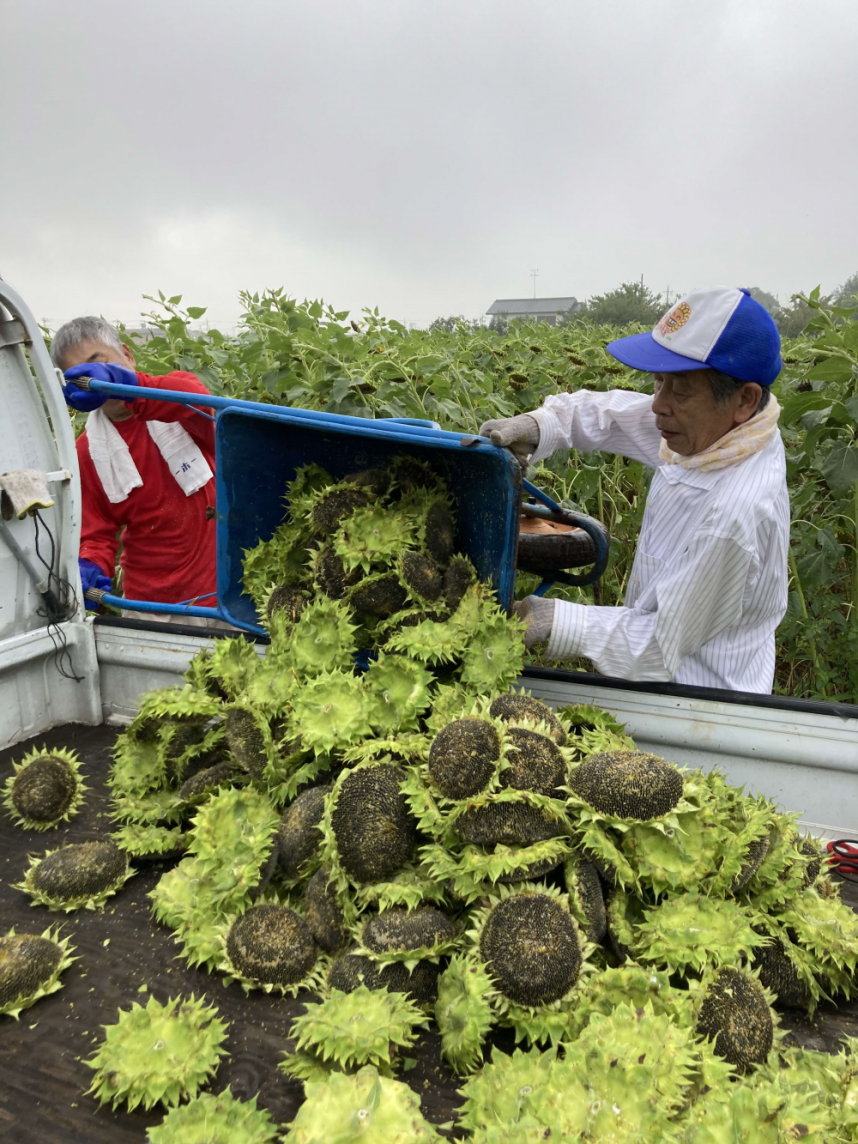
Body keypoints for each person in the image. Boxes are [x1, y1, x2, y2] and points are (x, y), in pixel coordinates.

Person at [481, 287, 789, 693]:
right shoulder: (725, 431)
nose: (657, 404)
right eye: (658, 382)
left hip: (700, 705)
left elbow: (661, 645)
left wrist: (555, 621)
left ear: (744, 399)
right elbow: (612, 415)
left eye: (678, 390)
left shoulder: (735, 513)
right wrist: (541, 426)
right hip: (661, 676)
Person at [51, 316, 220, 626]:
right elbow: (95, 531)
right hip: (154, 608)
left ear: (127, 355)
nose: (92, 380)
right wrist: (90, 564)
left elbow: (201, 403)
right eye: (79, 378)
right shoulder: (88, 451)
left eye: (98, 363)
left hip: (226, 593)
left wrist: (133, 388)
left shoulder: (174, 399)